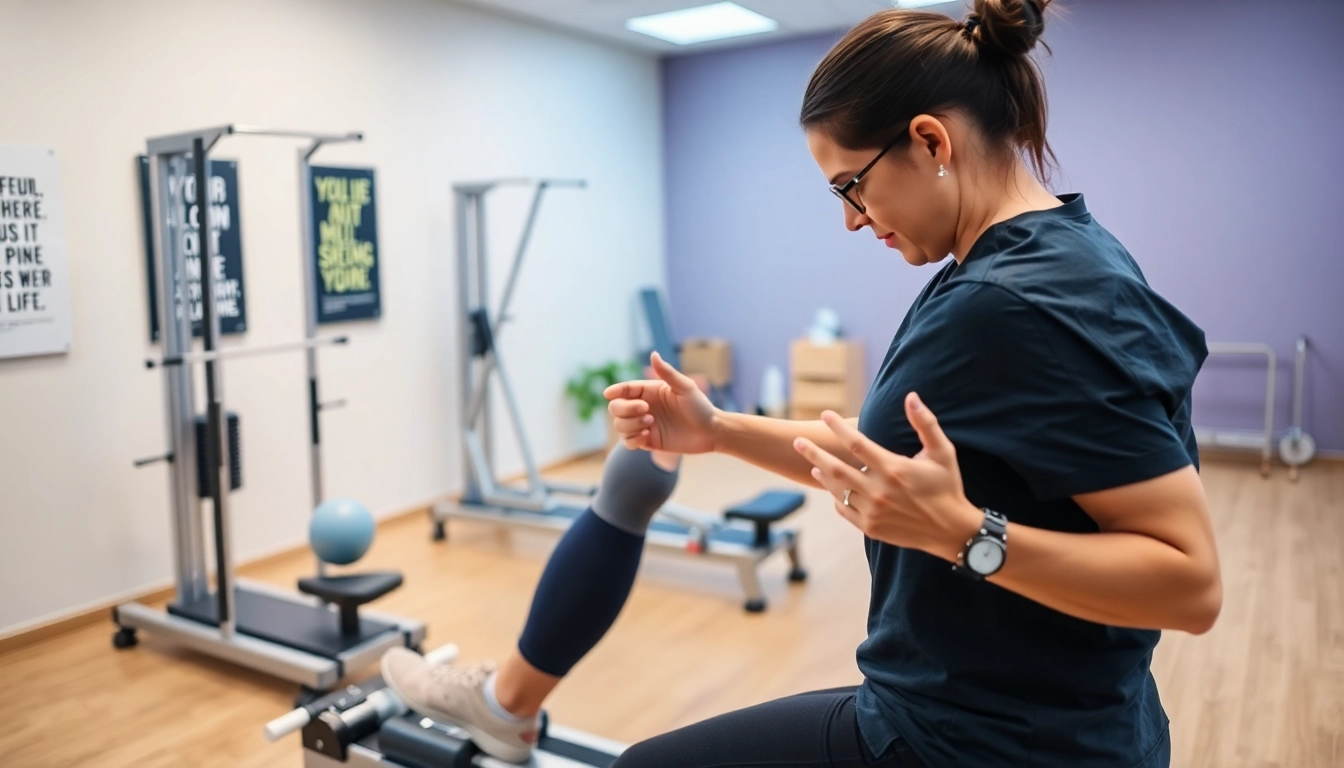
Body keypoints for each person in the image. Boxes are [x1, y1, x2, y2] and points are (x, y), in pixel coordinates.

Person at [388, 1, 1222, 765]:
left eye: (851, 186)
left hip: (981, 743)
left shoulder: (1021, 302)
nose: (852, 219)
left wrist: (965, 534)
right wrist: (715, 429)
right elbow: (878, 462)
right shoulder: (1024, 259)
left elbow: (1189, 583)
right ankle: (506, 702)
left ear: (931, 141)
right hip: (1005, 711)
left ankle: (505, 705)